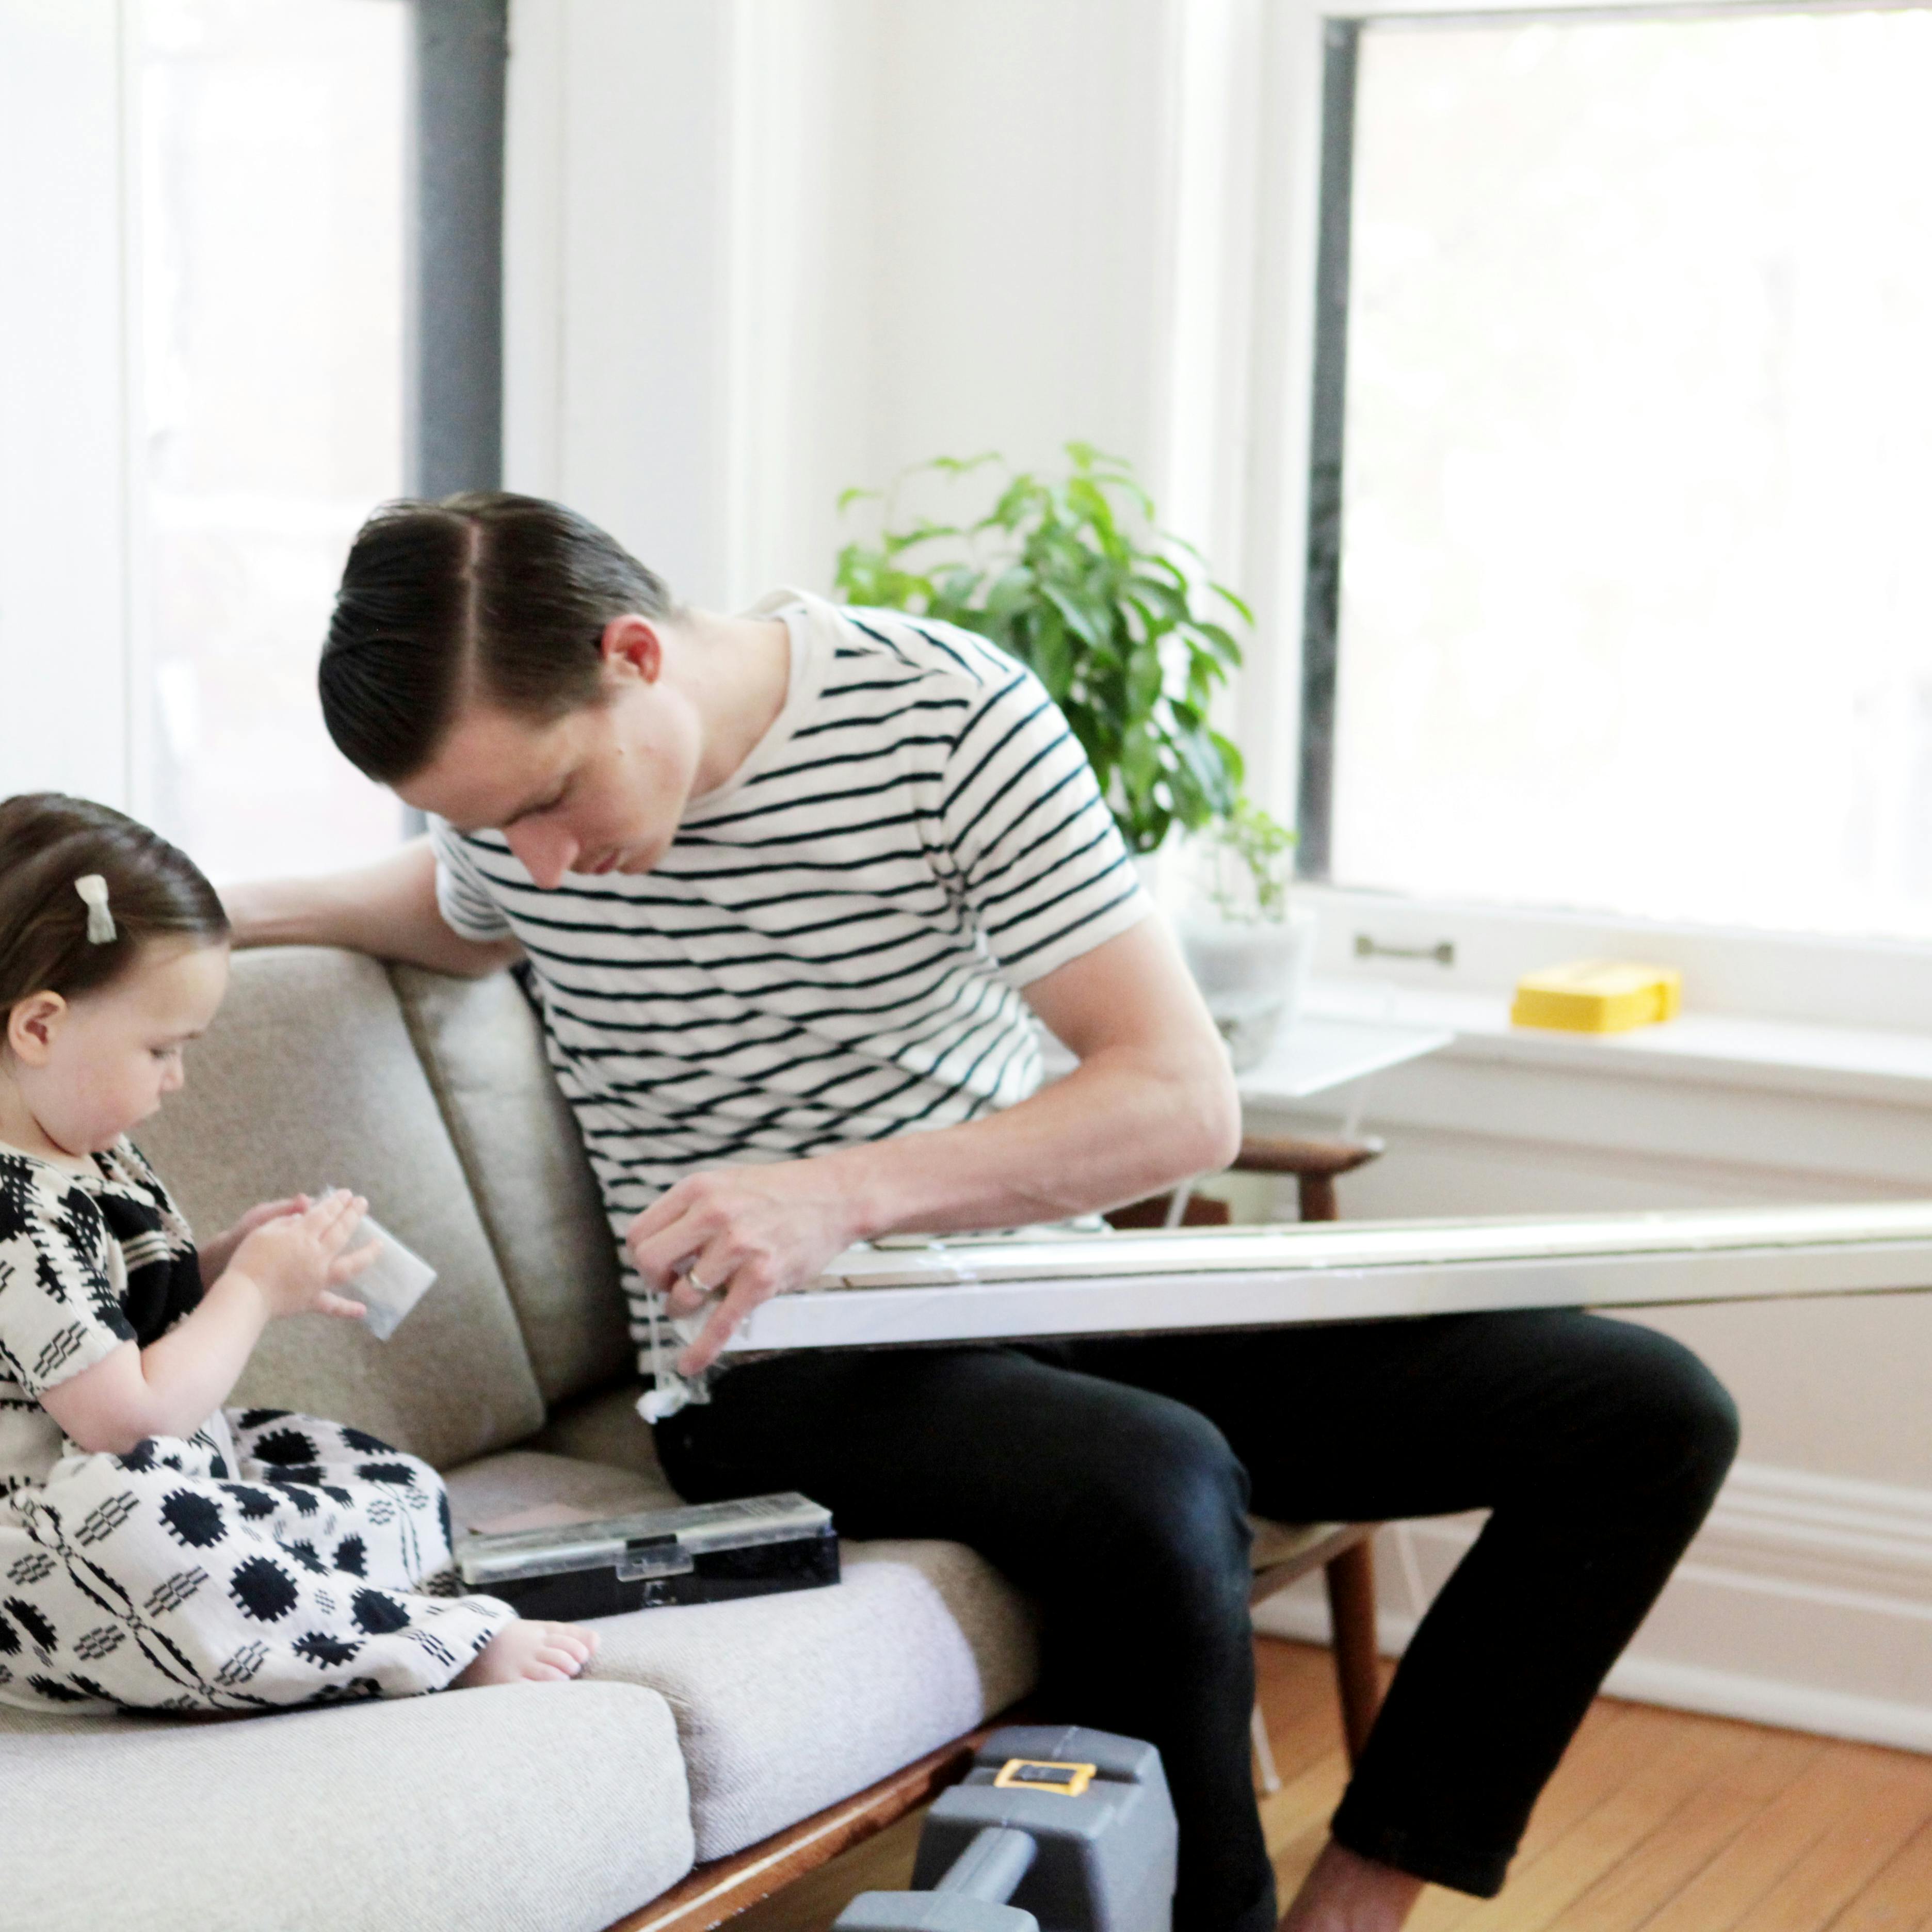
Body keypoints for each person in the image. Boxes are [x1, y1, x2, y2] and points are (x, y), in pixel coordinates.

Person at [230, 492, 1739, 1932]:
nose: (541, 864)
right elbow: (454, 913)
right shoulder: (519, 836)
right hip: (764, 1369)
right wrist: (219, 907)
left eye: (552, 800)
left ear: (636, 653)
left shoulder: (944, 719)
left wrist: (839, 1196)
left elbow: (1177, 1099)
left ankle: (1362, 1895)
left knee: (1643, 1411)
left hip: (1032, 1289)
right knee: (1155, 1480)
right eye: (492, 827)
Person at [0, 792, 598, 1713]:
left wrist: (218, 1262)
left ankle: (322, 1603)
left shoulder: (85, 1144)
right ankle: (423, 1640)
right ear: (39, 1028)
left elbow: (118, 1315)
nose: (177, 1078)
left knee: (399, 1489)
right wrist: (251, 1291)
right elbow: (125, 1419)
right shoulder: (10, 1208)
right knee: (153, 1536)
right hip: (61, 1546)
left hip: (177, 1474)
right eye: (162, 1048)